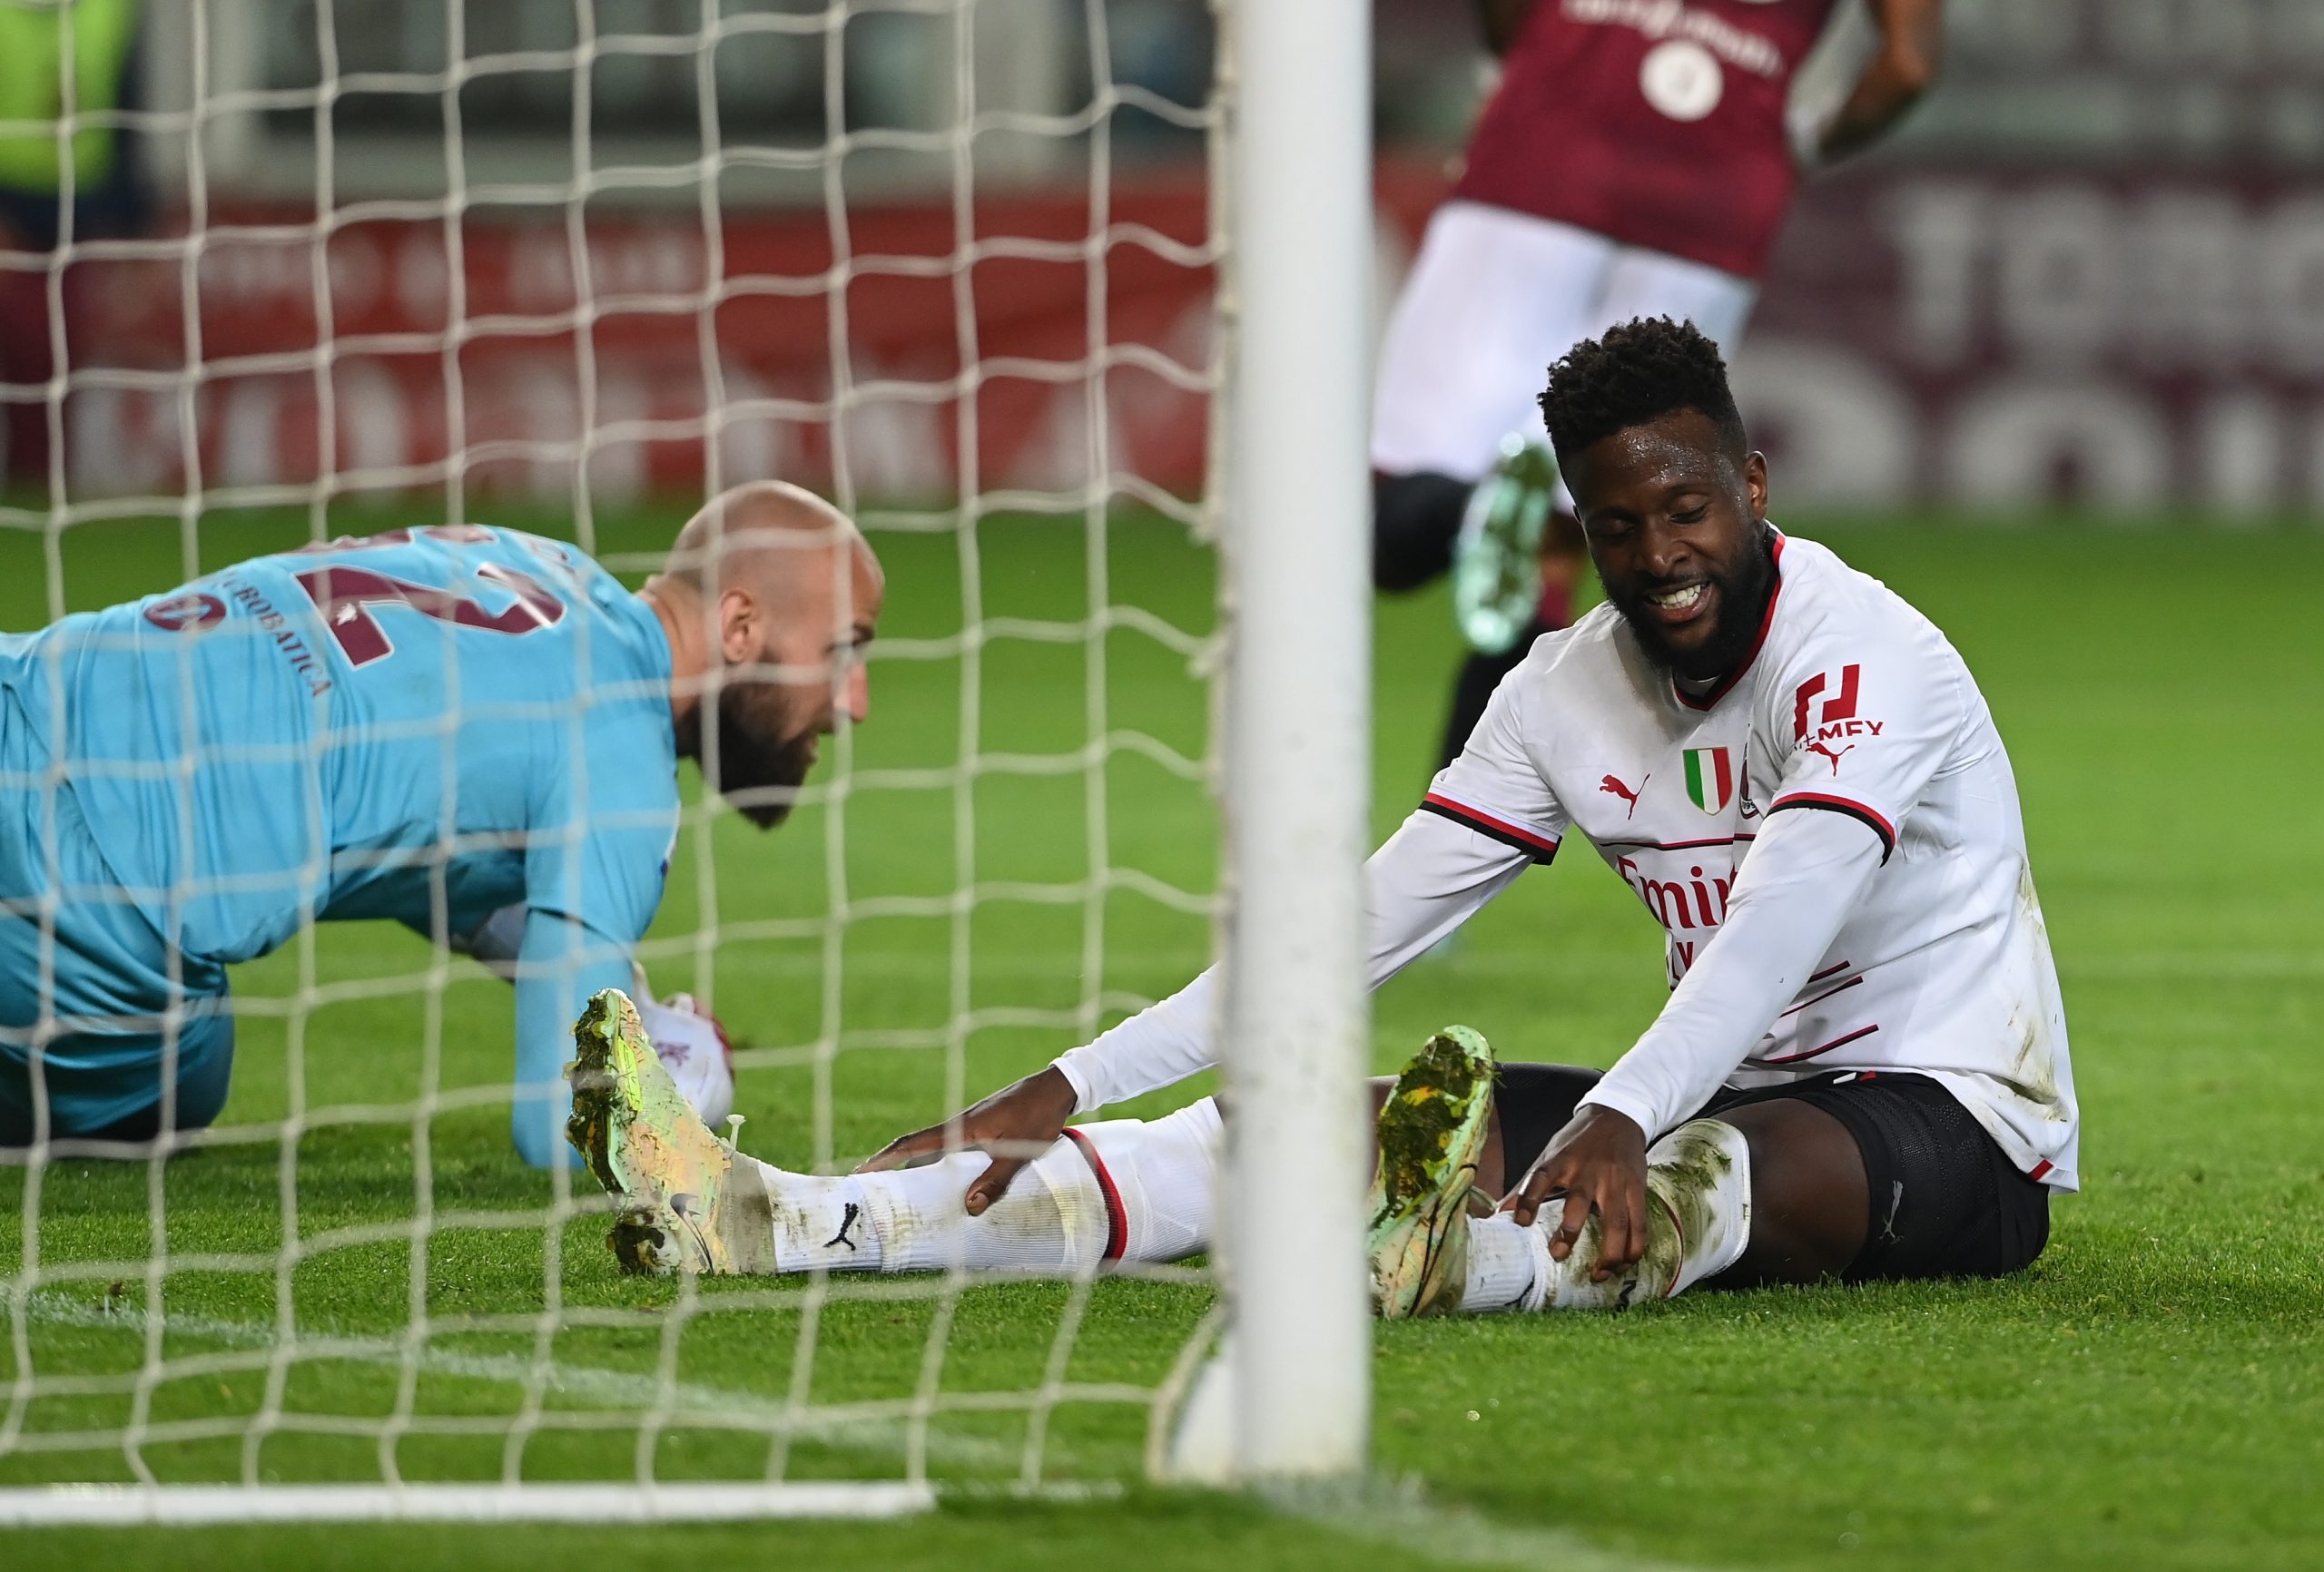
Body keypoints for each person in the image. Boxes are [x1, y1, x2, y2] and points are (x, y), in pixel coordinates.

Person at [567, 319, 2073, 1315]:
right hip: (1711, 1082)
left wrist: (1620, 1115)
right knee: (1277, 1134)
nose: (1660, 556)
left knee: (1718, 1177)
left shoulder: (1865, 660)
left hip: (1949, 1117)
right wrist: (1066, 1083)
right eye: (1618, 527)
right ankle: (793, 1218)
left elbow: (1775, 930)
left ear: (1751, 483)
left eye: (1688, 509)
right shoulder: (1564, 692)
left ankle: (1474, 1264)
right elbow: (1349, 932)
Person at [0, 481, 882, 1164]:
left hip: (29, 680)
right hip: (82, 900)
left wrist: (628, 1005)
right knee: (179, 1085)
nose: (856, 701)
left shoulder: (537, 560)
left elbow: (442, 828)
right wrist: (673, 1094)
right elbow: (557, 1127)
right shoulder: (623, 765)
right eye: (844, 650)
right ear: (739, 625)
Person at [1377, 0, 1945, 773]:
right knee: (1555, 544)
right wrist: (1798, 143)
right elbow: (1905, 67)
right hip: (1718, 191)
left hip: (1546, 149)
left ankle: (1470, 509)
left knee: (1387, 526)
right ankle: (1462, 826)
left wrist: (1512, 72)